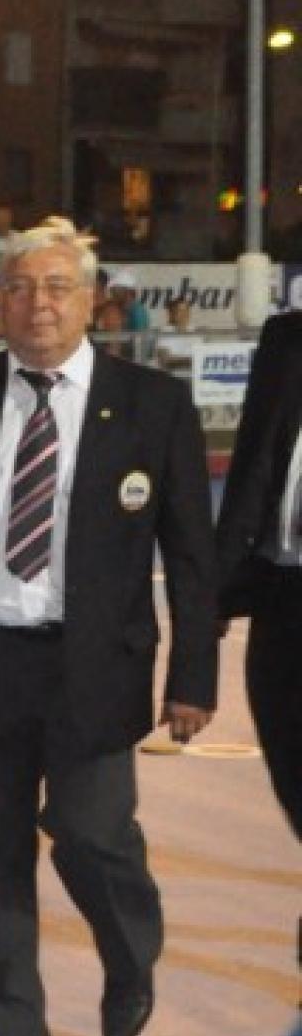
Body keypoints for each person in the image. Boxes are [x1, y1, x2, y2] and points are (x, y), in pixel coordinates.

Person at [0, 217, 217, 1036]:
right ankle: (10, 1032)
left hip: (94, 665)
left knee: (92, 831)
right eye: (22, 288)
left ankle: (129, 947)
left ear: (90, 299)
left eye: (58, 287)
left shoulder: (153, 404)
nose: (40, 304)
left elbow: (190, 554)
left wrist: (193, 675)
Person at [214, 309, 302, 844]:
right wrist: (219, 588)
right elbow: (254, 457)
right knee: (290, 761)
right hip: (283, 592)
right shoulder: (287, 338)